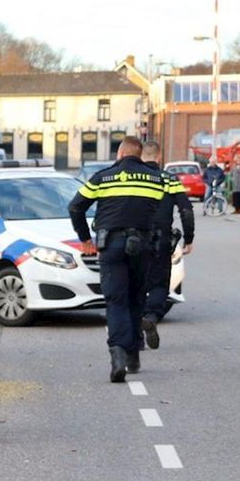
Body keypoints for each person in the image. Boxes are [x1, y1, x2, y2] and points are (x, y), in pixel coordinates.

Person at [68, 136, 166, 382]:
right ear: (140, 154)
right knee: (135, 299)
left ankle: (119, 355)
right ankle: (133, 357)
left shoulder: (103, 177)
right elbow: (157, 209)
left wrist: (85, 238)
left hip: (111, 246)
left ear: (120, 154)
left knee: (116, 301)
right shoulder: (156, 179)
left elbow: (75, 207)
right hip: (142, 246)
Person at [140, 142, 194, 350]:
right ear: (159, 156)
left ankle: (136, 324)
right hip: (161, 239)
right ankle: (151, 316)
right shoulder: (169, 179)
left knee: (135, 282)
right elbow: (186, 210)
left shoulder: (133, 178)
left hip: (133, 239)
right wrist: (189, 239)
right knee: (160, 284)